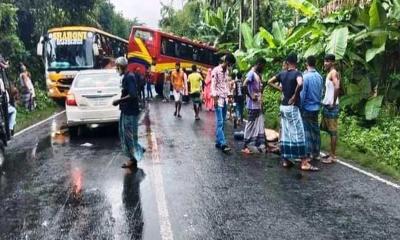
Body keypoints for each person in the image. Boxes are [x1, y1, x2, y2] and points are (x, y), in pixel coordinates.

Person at [270, 53, 318, 171]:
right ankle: (304, 162)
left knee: (286, 132)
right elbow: (300, 83)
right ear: (296, 62)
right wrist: (295, 96)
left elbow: (269, 81)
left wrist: (280, 88)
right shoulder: (297, 73)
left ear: (287, 62)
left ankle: (286, 159)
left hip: (283, 107)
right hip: (292, 107)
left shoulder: (282, 74)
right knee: (298, 132)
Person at [112, 57, 145, 170]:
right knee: (125, 134)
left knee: (129, 136)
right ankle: (137, 150)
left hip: (130, 111)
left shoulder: (129, 77)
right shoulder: (126, 76)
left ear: (122, 66)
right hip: (126, 110)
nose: (116, 69)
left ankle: (133, 158)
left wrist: (118, 101)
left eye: (117, 67)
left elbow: (132, 95)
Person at [211, 53, 236, 153]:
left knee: (222, 121)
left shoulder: (227, 72)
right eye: (229, 63)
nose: (230, 66)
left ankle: (218, 141)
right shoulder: (216, 70)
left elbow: (225, 85)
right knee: (220, 122)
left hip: (225, 99)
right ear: (226, 61)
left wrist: (229, 95)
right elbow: (213, 85)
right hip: (218, 99)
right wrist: (215, 99)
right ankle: (223, 143)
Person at [241, 58, 267, 154]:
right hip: (252, 105)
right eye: (263, 66)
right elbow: (244, 85)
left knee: (259, 123)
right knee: (250, 124)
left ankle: (259, 144)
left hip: (258, 104)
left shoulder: (257, 74)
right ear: (259, 64)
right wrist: (251, 96)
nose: (263, 68)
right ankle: (245, 146)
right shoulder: (251, 73)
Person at [300, 55, 323, 161]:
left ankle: (308, 153)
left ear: (306, 64)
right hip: (317, 106)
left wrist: (300, 106)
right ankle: (317, 152)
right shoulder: (319, 76)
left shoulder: (305, 77)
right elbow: (321, 92)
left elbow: (302, 94)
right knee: (315, 130)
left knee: (307, 130)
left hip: (307, 107)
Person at [321, 54, 341, 164]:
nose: (325, 63)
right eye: (325, 61)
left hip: (331, 106)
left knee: (333, 132)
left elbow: (337, 87)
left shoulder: (333, 73)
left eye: (327, 61)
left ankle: (333, 156)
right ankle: (331, 153)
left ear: (332, 62)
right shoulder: (330, 73)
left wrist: (333, 102)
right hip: (327, 106)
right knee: (329, 130)